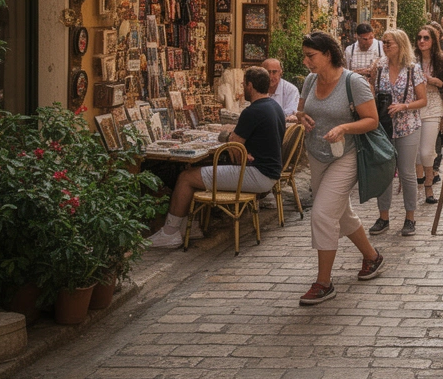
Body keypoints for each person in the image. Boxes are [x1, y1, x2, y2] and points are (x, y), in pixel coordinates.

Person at [294, 32, 385, 305]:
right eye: (305, 56)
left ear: (329, 54)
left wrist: (344, 127)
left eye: (311, 56)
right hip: (317, 154)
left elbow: (372, 120)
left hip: (346, 154)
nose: (306, 61)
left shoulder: (352, 82)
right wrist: (302, 118)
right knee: (340, 213)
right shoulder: (310, 81)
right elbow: (301, 111)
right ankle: (372, 257)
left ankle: (323, 282)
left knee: (322, 214)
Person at [149, 66, 284, 248]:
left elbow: (234, 149)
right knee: (197, 171)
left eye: (244, 84)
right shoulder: (274, 106)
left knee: (186, 178)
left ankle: (170, 232)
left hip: (257, 174)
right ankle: (192, 225)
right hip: (269, 173)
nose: (242, 88)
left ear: (250, 85)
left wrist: (227, 135)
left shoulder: (252, 111)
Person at [370, 29, 428, 237]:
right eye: (384, 43)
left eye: (389, 43)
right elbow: (372, 92)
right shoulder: (379, 67)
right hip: (384, 126)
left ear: (400, 45)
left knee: (406, 172)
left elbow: (423, 100)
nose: (385, 46)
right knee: (384, 172)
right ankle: (383, 217)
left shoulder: (413, 69)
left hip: (408, 125)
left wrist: (403, 106)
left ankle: (410, 217)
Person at [415, 26, 443, 205]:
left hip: (432, 104)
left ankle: (428, 185)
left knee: (426, 151)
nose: (422, 41)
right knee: (415, 152)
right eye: (419, 38)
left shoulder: (442, 60)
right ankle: (417, 184)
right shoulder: (411, 60)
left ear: (433, 41)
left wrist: (437, 82)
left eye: (426, 38)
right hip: (413, 105)